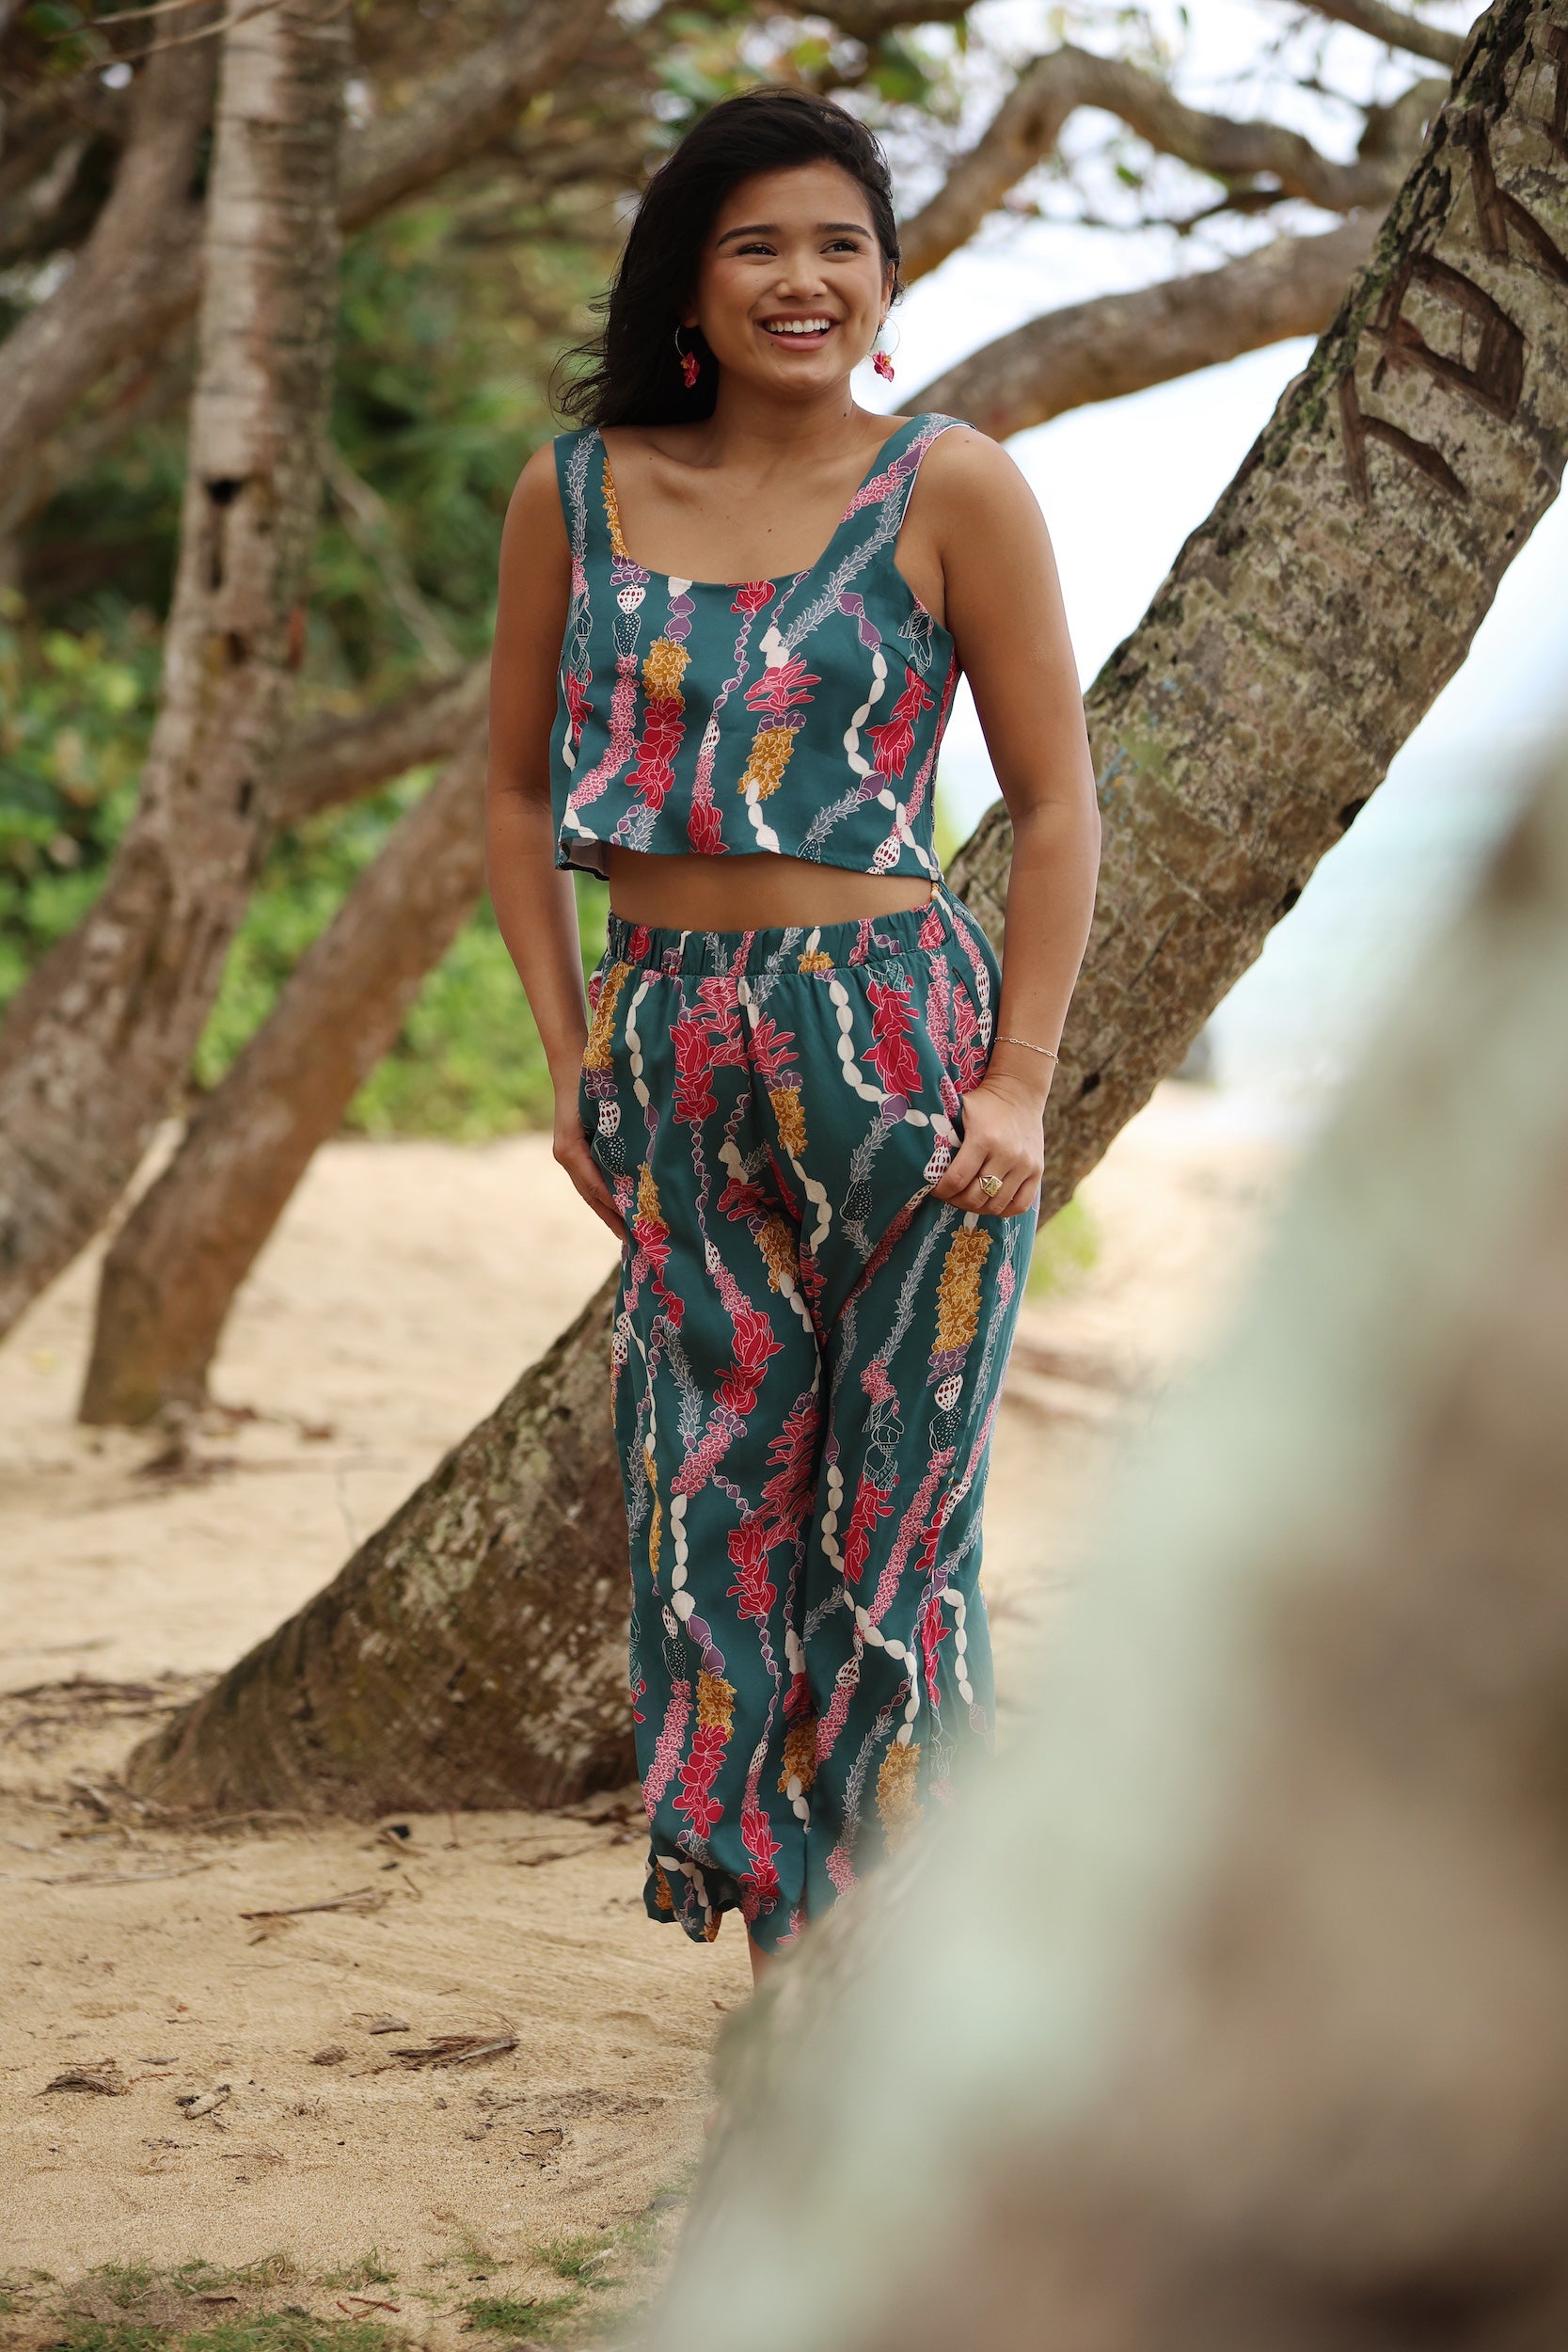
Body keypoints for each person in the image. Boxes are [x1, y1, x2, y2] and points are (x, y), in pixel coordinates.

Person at [487, 86, 1100, 1984]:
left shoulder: (953, 486)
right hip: (670, 1048)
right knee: (709, 1504)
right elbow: (516, 799)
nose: (804, 276)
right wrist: (570, 1048)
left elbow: (1059, 802)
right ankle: (786, 1945)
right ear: (693, 276)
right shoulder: (577, 493)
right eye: (760, 241)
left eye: (842, 242)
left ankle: (899, 1972)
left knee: (902, 1511)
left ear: (885, 280)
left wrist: (1020, 1081)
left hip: (900, 1046)